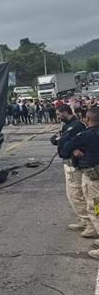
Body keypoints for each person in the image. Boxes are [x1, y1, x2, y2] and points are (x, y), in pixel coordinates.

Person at [63, 107, 99, 258]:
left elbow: (66, 146)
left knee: (95, 209)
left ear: (87, 119)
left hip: (94, 180)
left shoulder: (86, 135)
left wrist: (76, 151)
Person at [51, 105, 89, 233]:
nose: (58, 117)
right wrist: (59, 139)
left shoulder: (76, 125)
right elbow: (59, 139)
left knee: (77, 194)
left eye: (59, 114)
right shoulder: (68, 126)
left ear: (66, 112)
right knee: (73, 194)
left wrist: (59, 140)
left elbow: (64, 142)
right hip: (68, 163)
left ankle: (89, 222)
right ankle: (84, 220)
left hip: (74, 165)